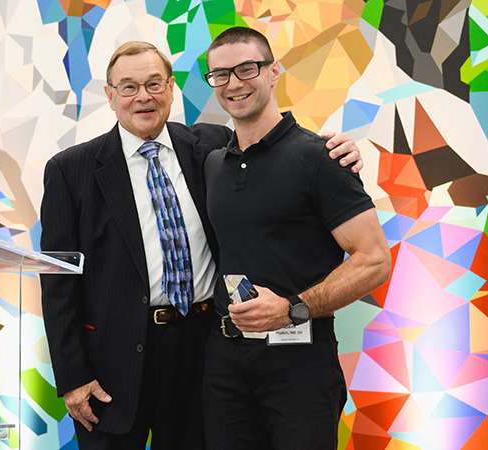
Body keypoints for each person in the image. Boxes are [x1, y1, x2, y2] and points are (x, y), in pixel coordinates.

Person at [39, 41, 363, 450]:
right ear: (110, 94)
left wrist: (339, 150)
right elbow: (58, 280)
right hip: (112, 364)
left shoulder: (212, 146)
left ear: (170, 88)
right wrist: (72, 376)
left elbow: (276, 149)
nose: (143, 97)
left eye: (154, 84)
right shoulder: (71, 170)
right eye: (129, 87)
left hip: (202, 351)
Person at [200, 27, 391, 450]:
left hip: (300, 364)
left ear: (273, 72)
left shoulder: (320, 157)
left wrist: (292, 309)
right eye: (221, 74)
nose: (233, 83)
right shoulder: (213, 163)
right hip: (225, 366)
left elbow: (375, 259)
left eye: (247, 69)